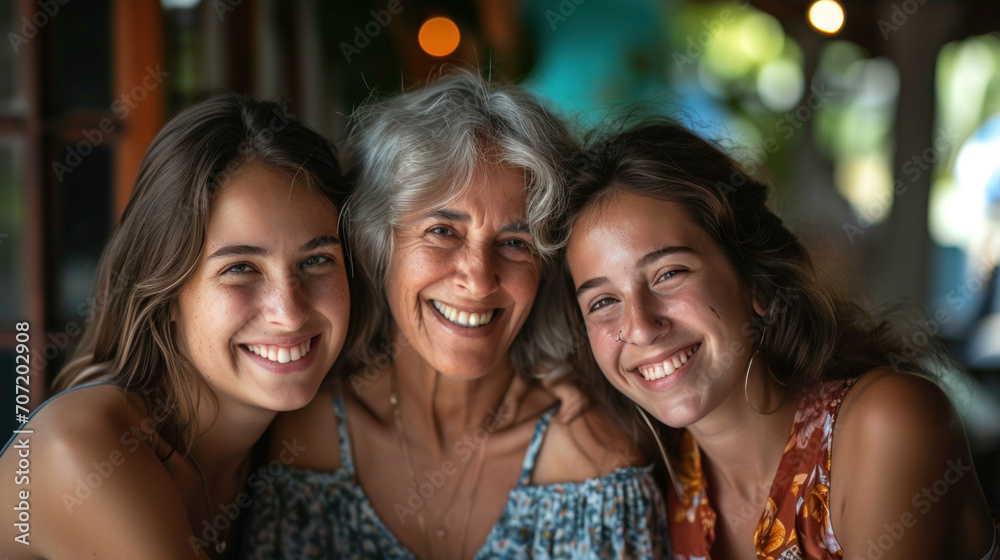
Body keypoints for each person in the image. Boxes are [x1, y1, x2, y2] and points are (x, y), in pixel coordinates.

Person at [243, 70, 669, 559]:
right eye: (443, 230)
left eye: (515, 242)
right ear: (379, 243)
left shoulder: (596, 466)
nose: (479, 278)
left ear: (547, 266)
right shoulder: (301, 441)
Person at [560, 118, 1000, 560]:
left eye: (669, 274)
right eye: (602, 302)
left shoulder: (885, 424)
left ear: (757, 282)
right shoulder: (655, 486)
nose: (638, 326)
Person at [0, 94, 352, 559]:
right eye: (240, 268)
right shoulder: (84, 452)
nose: (288, 312)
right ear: (165, 292)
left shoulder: (292, 441)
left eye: (316, 260)